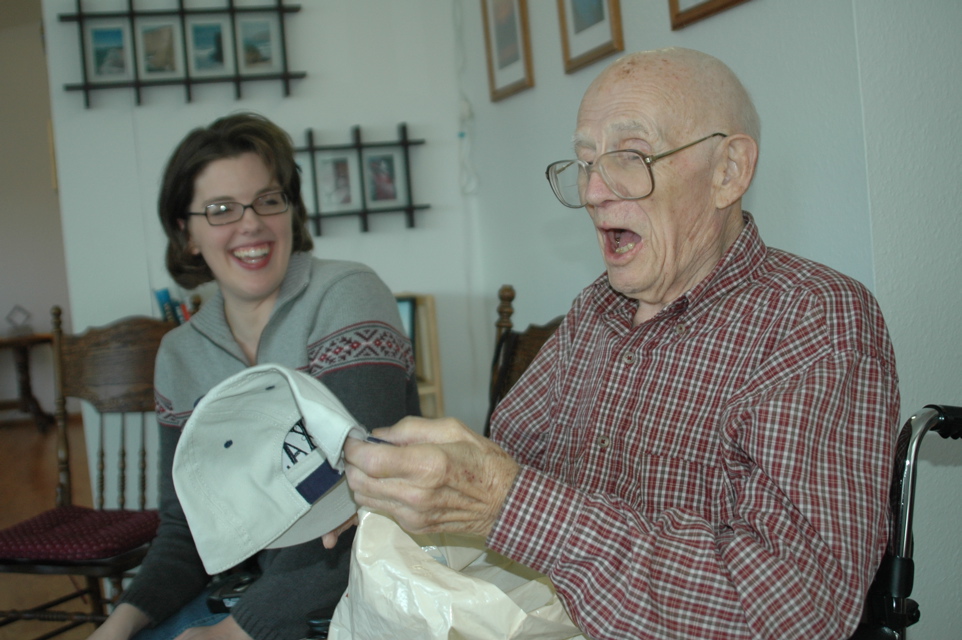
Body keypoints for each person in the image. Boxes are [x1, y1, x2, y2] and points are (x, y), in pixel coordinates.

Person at [343, 48, 899, 639]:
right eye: (584, 163)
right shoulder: (594, 312)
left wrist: (508, 504)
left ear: (728, 171)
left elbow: (798, 610)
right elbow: (502, 464)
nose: (594, 191)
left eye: (630, 156)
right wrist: (399, 482)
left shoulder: (813, 319)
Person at [90, 112, 420, 640]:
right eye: (221, 209)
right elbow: (188, 528)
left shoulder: (347, 294)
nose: (251, 225)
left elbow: (363, 497)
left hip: (374, 590)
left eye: (268, 200)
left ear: (291, 209)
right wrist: (120, 622)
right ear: (186, 232)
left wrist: (235, 631)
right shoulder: (179, 353)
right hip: (256, 598)